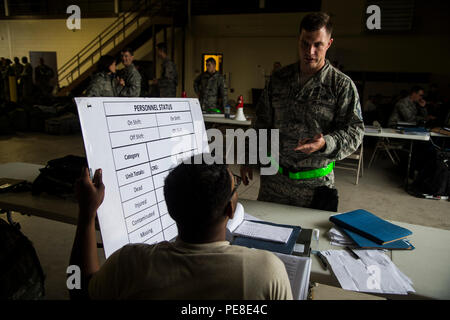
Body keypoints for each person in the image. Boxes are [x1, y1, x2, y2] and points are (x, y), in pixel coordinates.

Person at [70, 155, 292, 300]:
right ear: (230, 210)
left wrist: (87, 213)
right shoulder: (266, 271)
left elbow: (77, 287)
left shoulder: (128, 262)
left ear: (171, 208)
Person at [240, 12, 364, 212]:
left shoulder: (341, 86)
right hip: (274, 183)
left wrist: (326, 143)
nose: (310, 51)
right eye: (305, 43)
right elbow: (261, 121)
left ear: (329, 43)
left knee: (311, 240)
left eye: (318, 45)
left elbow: (354, 132)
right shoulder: (279, 79)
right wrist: (248, 157)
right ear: (298, 39)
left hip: (315, 186)